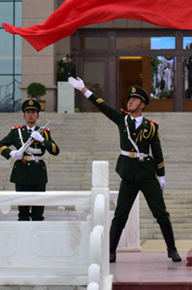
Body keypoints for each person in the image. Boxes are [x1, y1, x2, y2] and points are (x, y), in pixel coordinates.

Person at [68, 76, 181, 263]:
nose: (130, 101)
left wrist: (161, 176)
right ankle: (111, 251)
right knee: (120, 215)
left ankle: (172, 249)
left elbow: (158, 153)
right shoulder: (122, 120)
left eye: (134, 99)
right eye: (129, 98)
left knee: (161, 213)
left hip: (146, 173)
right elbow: (103, 106)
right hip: (128, 174)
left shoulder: (151, 128)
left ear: (142, 104)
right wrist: (83, 89)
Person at [0, 99, 60, 221]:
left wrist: (42, 140)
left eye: (33, 112)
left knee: (38, 211)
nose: (31, 114)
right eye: (28, 112)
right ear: (24, 115)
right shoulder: (16, 132)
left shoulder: (44, 133)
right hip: (22, 171)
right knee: (23, 211)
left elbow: (56, 150)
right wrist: (11, 153)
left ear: (37, 115)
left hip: (38, 172)